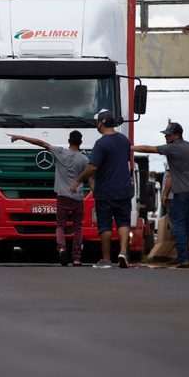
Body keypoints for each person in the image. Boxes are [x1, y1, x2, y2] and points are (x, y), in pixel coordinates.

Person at [8, 130, 90, 267]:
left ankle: (62, 248)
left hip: (63, 196)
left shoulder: (60, 152)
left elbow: (41, 143)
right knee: (78, 228)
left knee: (60, 225)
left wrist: (20, 137)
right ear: (80, 142)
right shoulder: (84, 159)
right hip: (77, 197)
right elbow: (90, 175)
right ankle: (76, 258)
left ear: (69, 141)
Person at [133, 122, 189, 268]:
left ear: (176, 135)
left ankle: (184, 258)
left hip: (181, 191)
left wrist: (131, 147)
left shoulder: (172, 148)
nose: (166, 137)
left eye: (168, 134)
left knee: (179, 225)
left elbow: (150, 149)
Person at [71, 110, 132, 269]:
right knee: (123, 222)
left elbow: (92, 167)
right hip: (124, 188)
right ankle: (123, 252)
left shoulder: (101, 143)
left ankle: (106, 260)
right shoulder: (125, 141)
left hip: (105, 190)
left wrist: (78, 180)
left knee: (105, 225)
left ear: (102, 123)